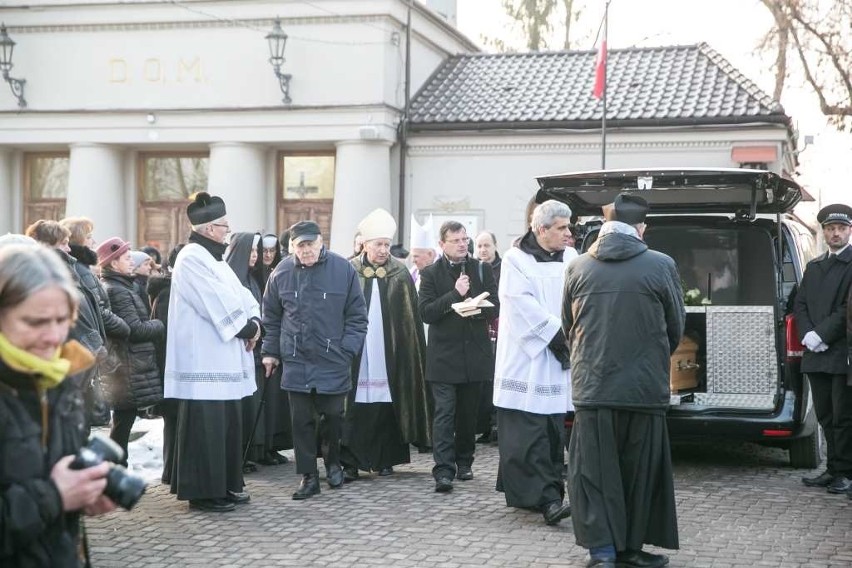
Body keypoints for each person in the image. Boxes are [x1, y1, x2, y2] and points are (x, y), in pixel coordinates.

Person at [563, 194, 684, 568]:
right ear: (641, 228)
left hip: (593, 387)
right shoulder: (661, 265)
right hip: (642, 389)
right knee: (639, 471)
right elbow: (675, 327)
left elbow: (569, 327)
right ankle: (630, 549)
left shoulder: (578, 266)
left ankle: (602, 552)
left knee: (594, 472)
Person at [0, 244, 116, 566]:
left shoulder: (57, 381)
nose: (53, 337)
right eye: (35, 322)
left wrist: (82, 494)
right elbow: (50, 493)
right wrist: (54, 496)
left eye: (63, 320)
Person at [165, 192, 260, 513]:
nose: (227, 232)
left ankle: (226, 484)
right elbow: (213, 300)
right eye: (223, 227)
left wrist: (255, 320)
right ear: (207, 229)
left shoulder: (214, 259)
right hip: (203, 362)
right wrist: (246, 329)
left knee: (226, 427)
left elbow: (241, 294)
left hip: (224, 357)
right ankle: (204, 492)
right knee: (208, 429)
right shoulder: (192, 257)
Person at [261, 220, 368, 500]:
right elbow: (270, 316)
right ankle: (308, 476)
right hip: (296, 360)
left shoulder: (343, 269)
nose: (306, 250)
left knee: (333, 417)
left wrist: (347, 350)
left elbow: (357, 316)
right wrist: (270, 352)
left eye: (310, 244)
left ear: (321, 243)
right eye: (300, 245)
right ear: (292, 247)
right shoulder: (281, 272)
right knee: (301, 422)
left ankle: (333, 462)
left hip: (333, 359)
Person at [493, 201, 576, 526]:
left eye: (569, 227)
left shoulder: (571, 258)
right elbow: (519, 304)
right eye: (562, 228)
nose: (569, 234)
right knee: (529, 433)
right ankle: (547, 500)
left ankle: (543, 493)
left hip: (557, 357)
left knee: (552, 431)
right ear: (541, 229)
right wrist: (558, 336)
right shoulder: (516, 259)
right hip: (527, 359)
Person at [341, 209, 431, 481]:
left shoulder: (399, 273)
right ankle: (350, 461)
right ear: (365, 244)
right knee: (354, 401)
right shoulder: (349, 270)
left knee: (388, 397)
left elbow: (409, 321)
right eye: (378, 244)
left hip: (390, 348)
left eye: (386, 245)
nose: (383, 250)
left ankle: (387, 458)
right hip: (358, 347)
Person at [418, 220, 499, 493]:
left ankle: (465, 461)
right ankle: (443, 470)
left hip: (474, 353)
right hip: (443, 356)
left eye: (465, 239)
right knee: (444, 413)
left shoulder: (482, 268)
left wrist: (475, 308)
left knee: (468, 414)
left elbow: (496, 307)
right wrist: (456, 295)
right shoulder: (430, 273)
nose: (463, 244)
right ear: (442, 244)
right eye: (456, 240)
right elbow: (426, 312)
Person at [795, 203, 852, 495]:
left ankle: (845, 471)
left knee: (844, 416)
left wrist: (821, 333)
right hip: (815, 352)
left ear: (849, 231)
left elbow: (847, 309)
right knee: (826, 416)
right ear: (824, 232)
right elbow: (801, 302)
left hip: (842, 352)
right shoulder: (815, 266)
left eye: (841, 229)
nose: (836, 234)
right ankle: (832, 469)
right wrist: (807, 334)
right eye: (831, 229)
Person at [226, 232, 292, 471]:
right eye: (252, 251)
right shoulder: (234, 279)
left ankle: (262, 448)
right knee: (249, 405)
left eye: (259, 251)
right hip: (245, 349)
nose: (256, 256)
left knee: (263, 404)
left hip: (258, 348)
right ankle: (247, 452)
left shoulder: (254, 278)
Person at [97, 237, 165, 466]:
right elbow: (134, 329)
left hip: (129, 363)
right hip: (127, 364)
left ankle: (115, 467)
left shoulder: (122, 286)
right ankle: (114, 468)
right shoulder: (118, 291)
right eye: (126, 258)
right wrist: (160, 324)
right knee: (123, 421)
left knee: (123, 420)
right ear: (114, 264)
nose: (130, 262)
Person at [147, 243, 184, 485]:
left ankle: (172, 471)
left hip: (172, 366)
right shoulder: (168, 293)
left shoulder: (171, 290)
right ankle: (171, 472)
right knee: (173, 421)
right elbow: (164, 334)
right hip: (169, 367)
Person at [474, 230, 502, 444]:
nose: (483, 250)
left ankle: (496, 424)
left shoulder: (504, 268)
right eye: (480, 246)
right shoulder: (474, 269)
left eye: (487, 245)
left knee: (497, 376)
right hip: (480, 327)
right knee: (483, 379)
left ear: (494, 246)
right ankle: (484, 425)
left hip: (500, 327)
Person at [409, 214, 437, 290]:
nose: (413, 261)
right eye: (412, 256)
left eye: (416, 256)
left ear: (430, 254)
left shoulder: (442, 272)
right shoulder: (413, 272)